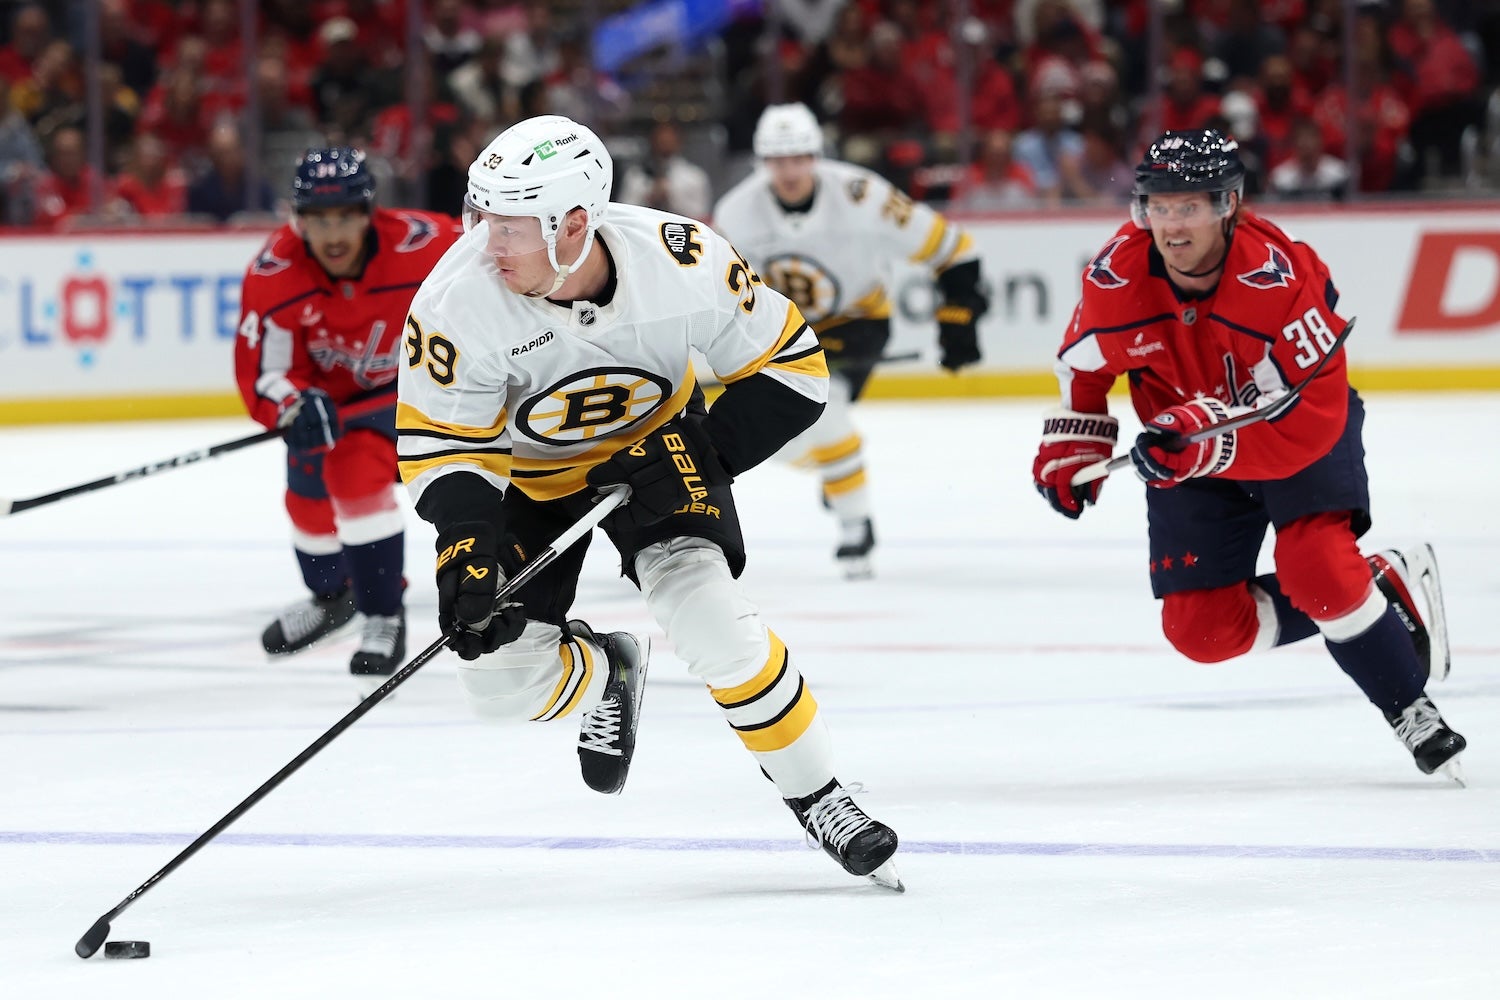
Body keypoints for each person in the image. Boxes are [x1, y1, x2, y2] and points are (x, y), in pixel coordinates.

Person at [397, 114, 902, 889]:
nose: (488, 244)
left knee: (714, 625)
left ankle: (820, 796)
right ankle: (608, 670)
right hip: (527, 478)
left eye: (510, 226)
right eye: (482, 217)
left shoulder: (682, 260)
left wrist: (707, 454)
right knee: (498, 686)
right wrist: (464, 546)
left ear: (573, 224)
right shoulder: (455, 301)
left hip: (661, 449)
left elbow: (794, 369)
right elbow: (443, 445)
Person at [1031, 128, 1465, 783]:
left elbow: (1309, 422)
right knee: (1201, 631)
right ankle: (1375, 585)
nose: (1171, 225)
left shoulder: (1282, 280)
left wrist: (1203, 438)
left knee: (1318, 571)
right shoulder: (1116, 278)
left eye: (1189, 206)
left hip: (1295, 436)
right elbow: (1082, 366)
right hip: (1185, 448)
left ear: (1228, 204)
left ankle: (1408, 704)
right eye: (1158, 206)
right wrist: (1075, 443)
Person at [712, 102, 988, 578]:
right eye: (777, 160)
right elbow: (721, 292)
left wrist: (960, 313)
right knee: (765, 433)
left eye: (799, 158)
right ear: (762, 162)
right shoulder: (735, 212)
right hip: (781, 332)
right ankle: (838, 467)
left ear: (816, 155)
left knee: (828, 409)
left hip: (856, 322)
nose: (789, 171)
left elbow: (953, 248)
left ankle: (855, 524)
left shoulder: (863, 195)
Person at [234, 147, 461, 690]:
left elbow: (499, 282)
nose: (332, 234)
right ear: (297, 219)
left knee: (354, 479)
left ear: (368, 213)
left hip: (420, 400)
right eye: (318, 219)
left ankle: (382, 612)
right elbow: (266, 371)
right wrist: (293, 405)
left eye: (344, 217)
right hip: (333, 410)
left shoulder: (429, 245)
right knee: (307, 502)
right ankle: (333, 598)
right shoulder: (276, 274)